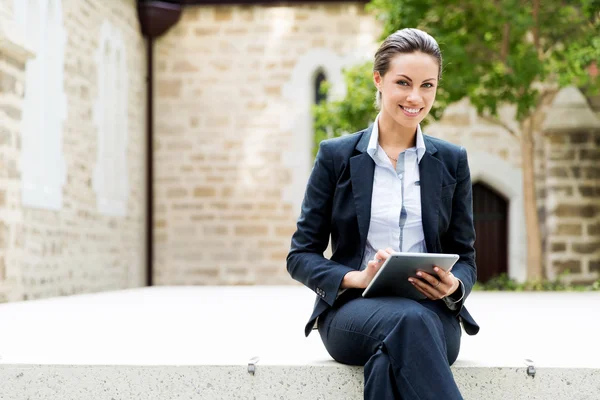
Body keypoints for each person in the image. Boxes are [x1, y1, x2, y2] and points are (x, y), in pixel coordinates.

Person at [286, 28, 480, 399]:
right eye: (403, 82)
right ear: (378, 79)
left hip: (434, 312)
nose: (415, 97)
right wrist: (357, 278)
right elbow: (300, 256)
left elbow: (466, 257)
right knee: (409, 322)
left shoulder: (452, 160)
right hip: (353, 312)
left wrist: (454, 286)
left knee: (387, 359)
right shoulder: (336, 156)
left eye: (428, 85)